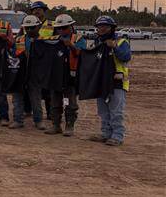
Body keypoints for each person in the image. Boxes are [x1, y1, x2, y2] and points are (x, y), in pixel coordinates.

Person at [89, 16, 131, 146]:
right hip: (101, 82)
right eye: (99, 26)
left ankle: (117, 136)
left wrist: (114, 47)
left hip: (117, 82)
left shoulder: (121, 41)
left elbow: (125, 57)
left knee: (116, 111)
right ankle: (106, 134)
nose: (102, 29)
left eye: (105, 26)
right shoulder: (97, 42)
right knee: (103, 111)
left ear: (112, 28)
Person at [45, 14, 86, 137]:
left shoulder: (78, 39)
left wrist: (70, 45)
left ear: (71, 26)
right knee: (55, 101)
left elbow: (82, 54)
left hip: (70, 77)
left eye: (64, 27)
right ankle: (56, 125)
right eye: (59, 28)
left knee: (69, 102)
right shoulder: (54, 39)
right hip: (56, 76)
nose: (61, 30)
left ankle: (69, 126)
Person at [9, 15, 46, 130]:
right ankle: (18, 120)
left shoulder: (43, 41)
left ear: (38, 27)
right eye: (27, 28)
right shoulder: (18, 40)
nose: (29, 30)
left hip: (35, 74)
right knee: (17, 99)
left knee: (35, 99)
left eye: (32, 27)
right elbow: (12, 55)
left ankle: (38, 121)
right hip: (19, 74)